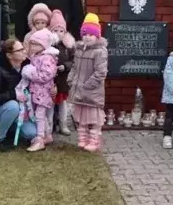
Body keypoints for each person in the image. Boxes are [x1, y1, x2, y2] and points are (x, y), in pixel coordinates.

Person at [0, 39, 38, 151]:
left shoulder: (26, 68)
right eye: (20, 50)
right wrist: (14, 95)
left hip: (21, 111)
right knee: (13, 106)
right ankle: (0, 140)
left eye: (23, 48)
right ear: (9, 55)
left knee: (31, 133)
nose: (24, 51)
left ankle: (10, 129)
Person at [68, 13, 108, 152]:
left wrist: (87, 85)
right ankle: (82, 139)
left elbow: (100, 73)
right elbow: (74, 67)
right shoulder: (79, 50)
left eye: (91, 34)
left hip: (92, 91)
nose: (87, 37)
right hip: (79, 90)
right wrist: (71, 79)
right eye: (84, 34)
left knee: (94, 119)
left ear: (97, 36)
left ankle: (94, 141)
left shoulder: (99, 52)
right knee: (81, 117)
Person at [20, 28, 59, 152]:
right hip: (36, 92)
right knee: (40, 115)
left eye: (36, 44)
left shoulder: (47, 58)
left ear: (44, 45)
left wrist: (30, 72)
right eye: (32, 43)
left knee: (39, 116)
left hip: (43, 92)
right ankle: (47, 135)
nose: (33, 46)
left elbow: (45, 76)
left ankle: (40, 139)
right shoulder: (37, 56)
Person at [50, 10, 76, 135]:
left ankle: (63, 125)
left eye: (61, 31)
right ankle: (49, 126)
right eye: (56, 30)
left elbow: (73, 61)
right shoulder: (48, 45)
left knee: (63, 104)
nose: (59, 33)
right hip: (50, 80)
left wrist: (65, 66)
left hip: (63, 80)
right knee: (49, 105)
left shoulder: (68, 46)